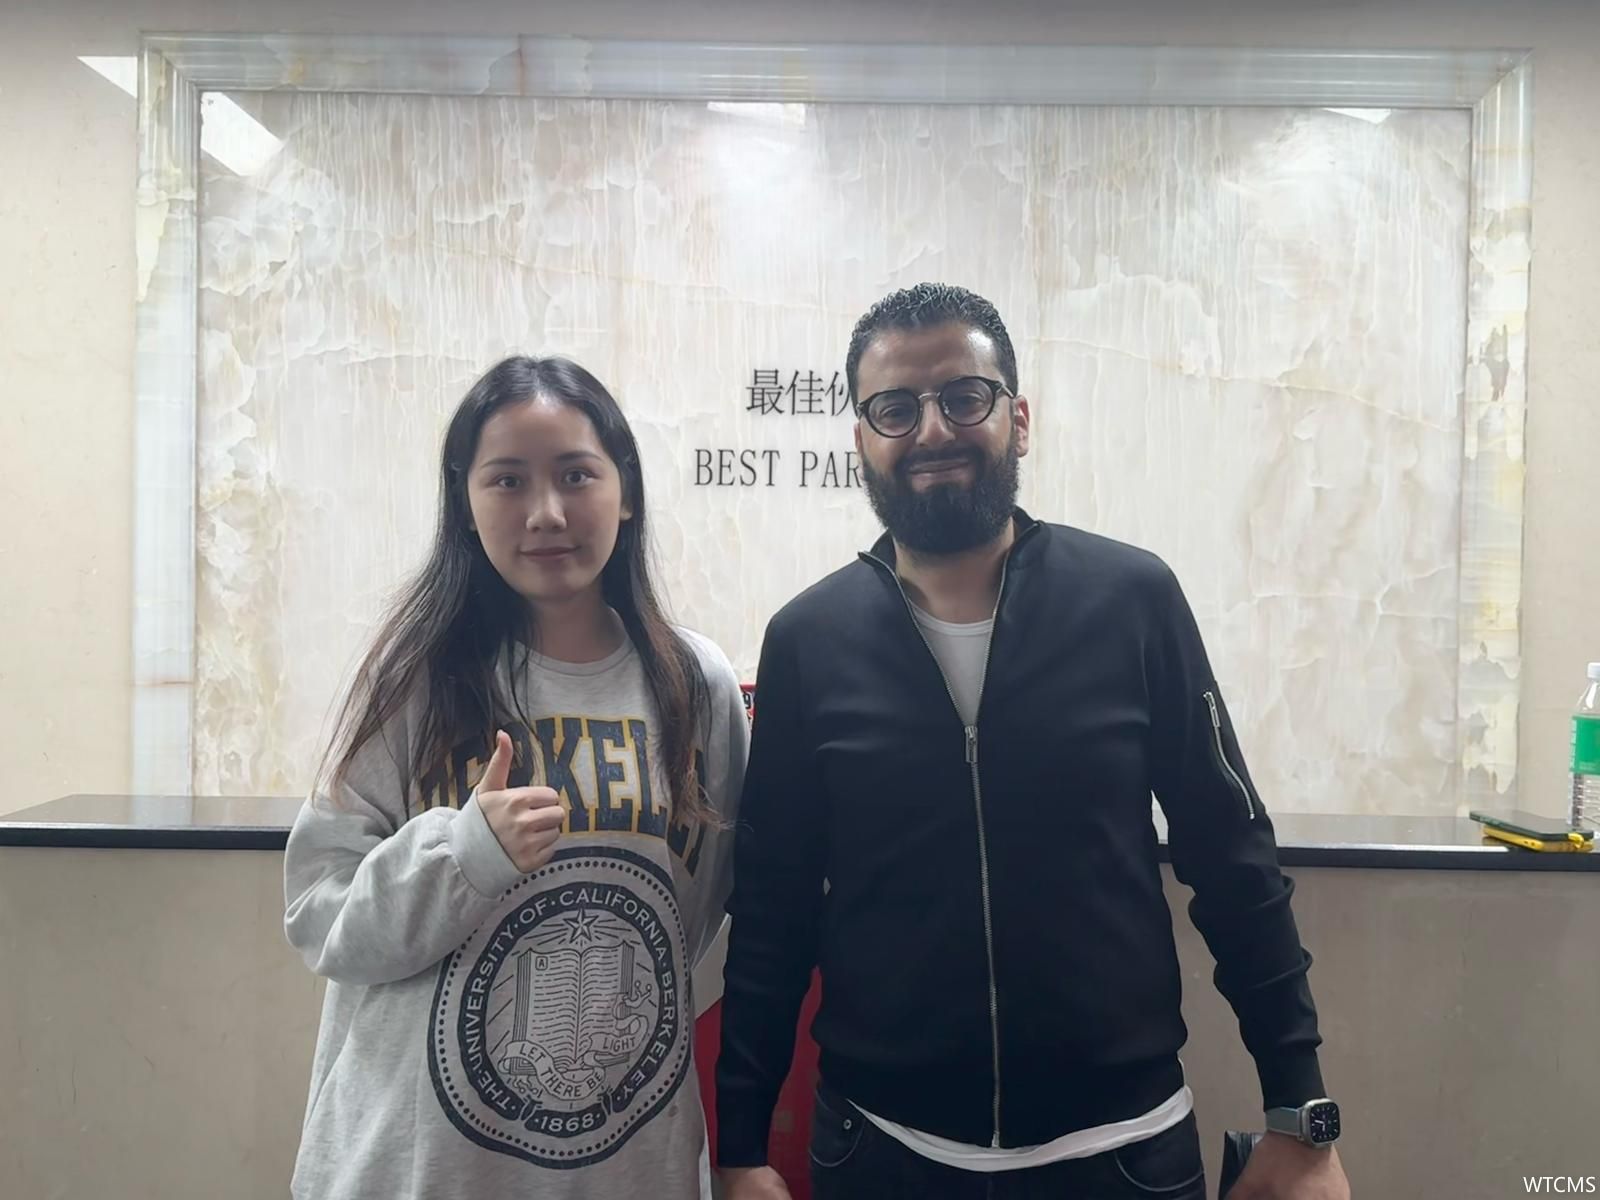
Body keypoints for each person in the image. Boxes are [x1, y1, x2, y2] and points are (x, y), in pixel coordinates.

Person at [716, 284, 1350, 1200]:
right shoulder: (808, 641)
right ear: (862, 438)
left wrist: (1302, 1111)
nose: (932, 429)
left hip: (1125, 1156)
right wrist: (741, 1147)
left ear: (1018, 419)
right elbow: (773, 912)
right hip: (882, 1155)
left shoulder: (1133, 601)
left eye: (963, 397)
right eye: (895, 409)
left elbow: (1232, 858)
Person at [284, 356, 747, 1200]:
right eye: (507, 480)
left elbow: (703, 921)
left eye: (576, 475)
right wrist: (461, 856)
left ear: (626, 490)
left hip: (624, 1169)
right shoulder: (414, 678)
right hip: (420, 1170)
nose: (546, 513)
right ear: (464, 502)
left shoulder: (695, 685)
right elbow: (320, 917)